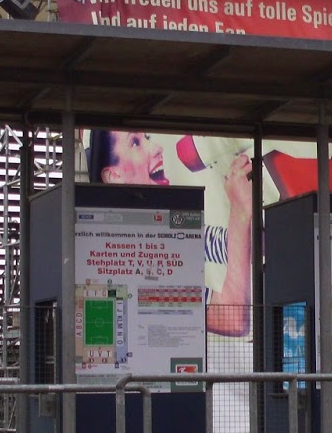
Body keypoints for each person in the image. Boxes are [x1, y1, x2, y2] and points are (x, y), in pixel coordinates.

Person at [89, 130, 254, 338]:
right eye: (135, 143)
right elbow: (233, 319)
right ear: (114, 176)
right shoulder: (127, 264)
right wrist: (240, 210)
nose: (157, 149)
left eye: (148, 138)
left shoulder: (166, 232)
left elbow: (241, 245)